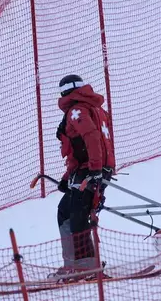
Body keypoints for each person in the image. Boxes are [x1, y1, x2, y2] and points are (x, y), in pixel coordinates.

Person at [51, 75, 115, 280]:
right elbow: (81, 148)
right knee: (67, 211)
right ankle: (79, 263)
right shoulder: (95, 108)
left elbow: (92, 138)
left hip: (90, 172)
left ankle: (83, 267)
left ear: (65, 93)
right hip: (94, 170)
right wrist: (67, 176)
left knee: (76, 214)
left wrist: (94, 170)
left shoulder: (76, 110)